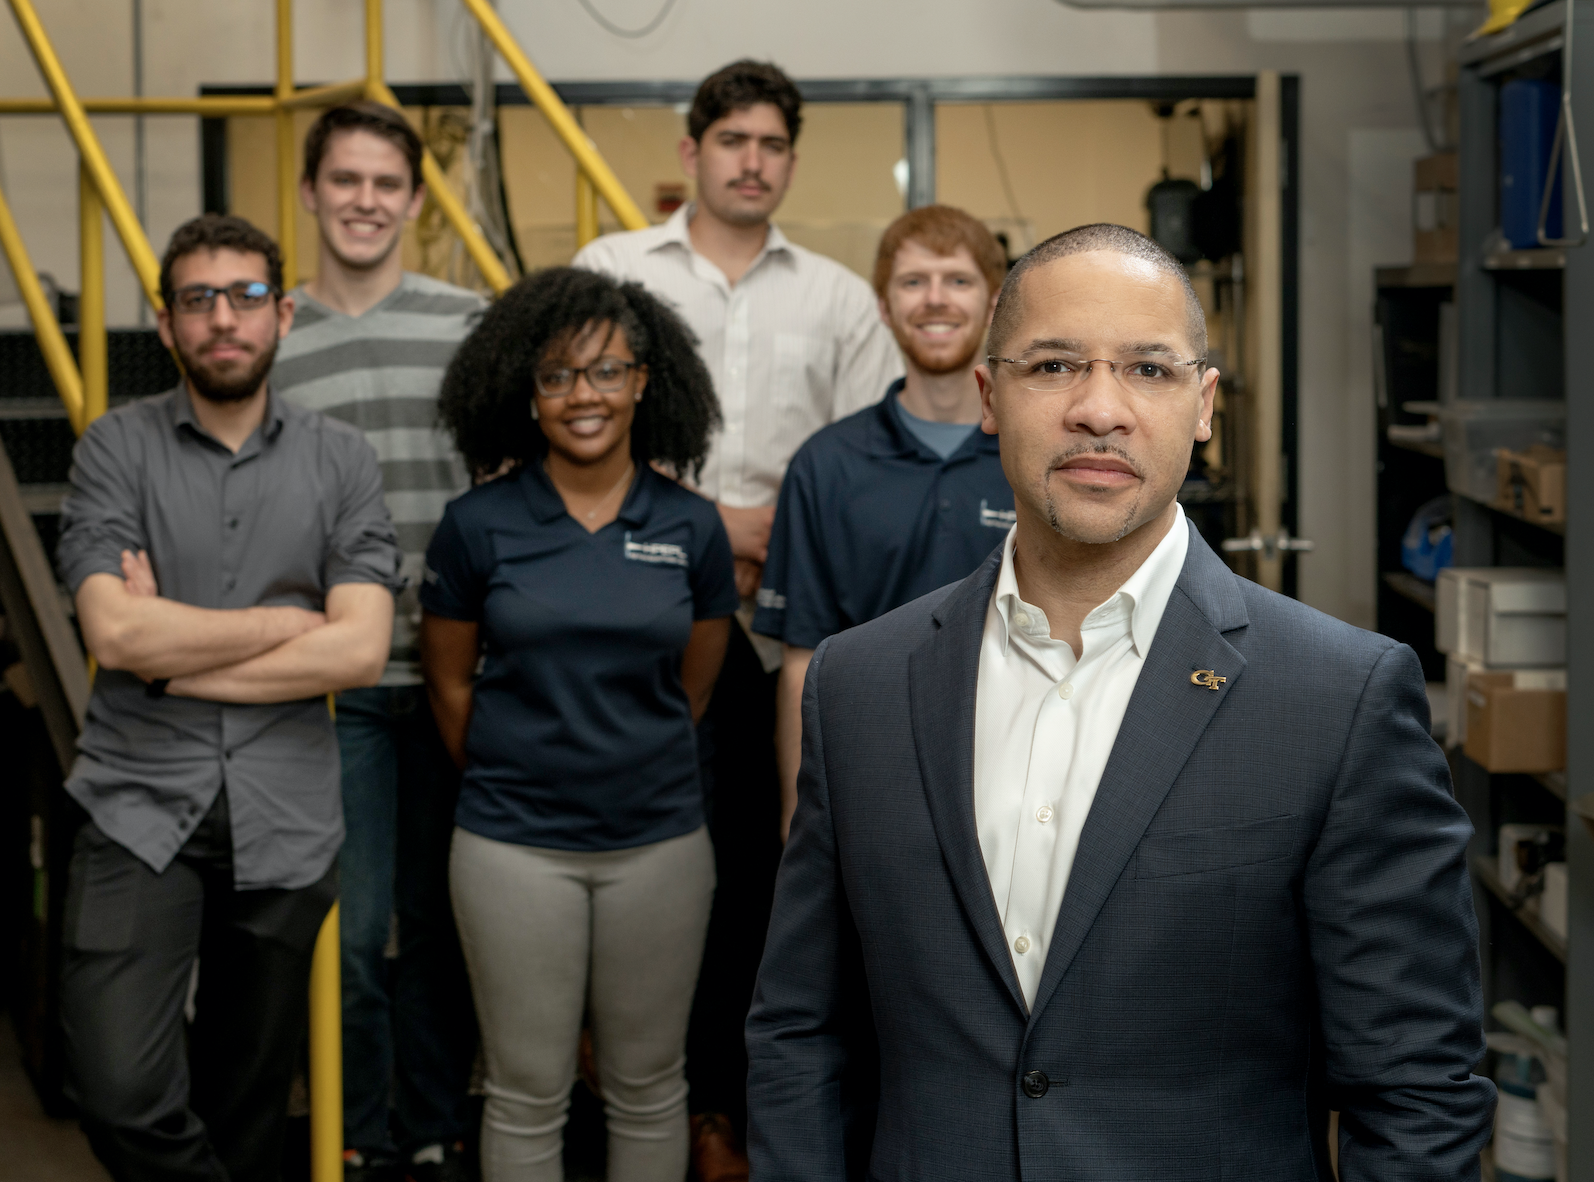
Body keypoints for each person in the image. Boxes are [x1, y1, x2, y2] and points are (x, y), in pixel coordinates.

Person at [746, 223, 1494, 1179]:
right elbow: (803, 1034)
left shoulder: (1338, 699)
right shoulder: (862, 686)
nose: (1100, 410)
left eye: (1148, 370)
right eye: (1054, 365)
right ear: (990, 397)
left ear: (1203, 405)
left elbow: (1416, 1090)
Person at [572, 59, 900, 1170]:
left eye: (771, 146)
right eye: (732, 142)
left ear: (789, 163)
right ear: (690, 154)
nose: (751, 162)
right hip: (632, 632)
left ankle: (744, 1113)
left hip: (786, 639)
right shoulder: (611, 273)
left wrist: (780, 538)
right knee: (642, 877)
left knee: (772, 879)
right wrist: (724, 524)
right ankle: (650, 1108)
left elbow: (865, 465)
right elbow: (573, 439)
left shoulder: (841, 299)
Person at [56, 214, 402, 1182]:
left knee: (246, 1107)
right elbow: (115, 633)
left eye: (246, 296)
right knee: (117, 1089)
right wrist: (287, 626)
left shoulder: (341, 460)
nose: (223, 319)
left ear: (283, 314)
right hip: (133, 806)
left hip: (283, 815)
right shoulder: (112, 451)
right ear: (166, 325)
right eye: (198, 299)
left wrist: (174, 649)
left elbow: (363, 650)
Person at [418, 267, 738, 1182]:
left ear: (645, 380)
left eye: (606, 371)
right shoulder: (476, 526)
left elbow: (695, 688)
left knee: (648, 1085)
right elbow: (449, 689)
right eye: (556, 376)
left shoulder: (692, 527)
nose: (582, 395)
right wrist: (525, 773)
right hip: (513, 848)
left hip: (661, 847)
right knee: (526, 1090)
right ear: (527, 392)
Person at [270, 100, 488, 1182]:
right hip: (330, 687)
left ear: (413, 199)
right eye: (344, 181)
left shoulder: (466, 324)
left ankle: (438, 1126)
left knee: (441, 927)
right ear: (310, 193)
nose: (364, 202)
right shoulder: (268, 339)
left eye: (385, 185)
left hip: (457, 677)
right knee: (351, 941)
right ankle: (356, 1134)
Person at [754, 205, 1013, 841]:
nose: (935, 301)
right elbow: (801, 663)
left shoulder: (1033, 457)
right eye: (912, 281)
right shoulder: (826, 465)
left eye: (957, 280)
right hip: (867, 779)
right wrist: (800, 825)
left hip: (1020, 776)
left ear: (995, 302)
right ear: (882, 305)